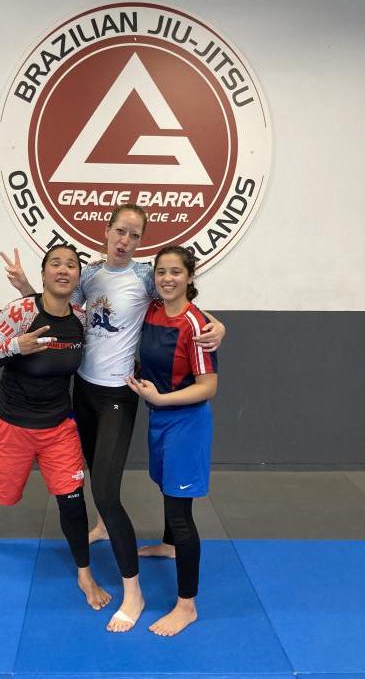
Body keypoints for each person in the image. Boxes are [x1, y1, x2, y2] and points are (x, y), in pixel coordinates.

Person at [2, 204, 224, 632]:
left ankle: (133, 592)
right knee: (92, 470)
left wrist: (220, 326)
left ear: (140, 241)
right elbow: (58, 305)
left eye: (135, 235)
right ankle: (104, 527)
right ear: (106, 231)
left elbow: (183, 302)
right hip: (83, 388)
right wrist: (27, 286)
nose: (126, 240)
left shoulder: (145, 277)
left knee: (105, 491)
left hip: (118, 395)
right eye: (120, 231)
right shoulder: (88, 275)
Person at [0, 244, 111, 612]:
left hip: (58, 426)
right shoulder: (20, 311)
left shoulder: (81, 317)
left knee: (72, 500)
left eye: (71, 265)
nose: (63, 269)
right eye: (55, 263)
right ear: (43, 274)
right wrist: (16, 345)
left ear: (77, 277)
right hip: (12, 423)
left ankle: (84, 574)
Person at [126, 245, 217, 636]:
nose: (167, 278)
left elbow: (208, 386)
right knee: (165, 486)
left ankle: (186, 605)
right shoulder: (152, 309)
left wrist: (162, 399)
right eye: (161, 271)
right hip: (159, 416)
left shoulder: (196, 325)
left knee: (181, 513)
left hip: (185, 422)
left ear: (190, 276)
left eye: (176, 272)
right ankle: (168, 545)